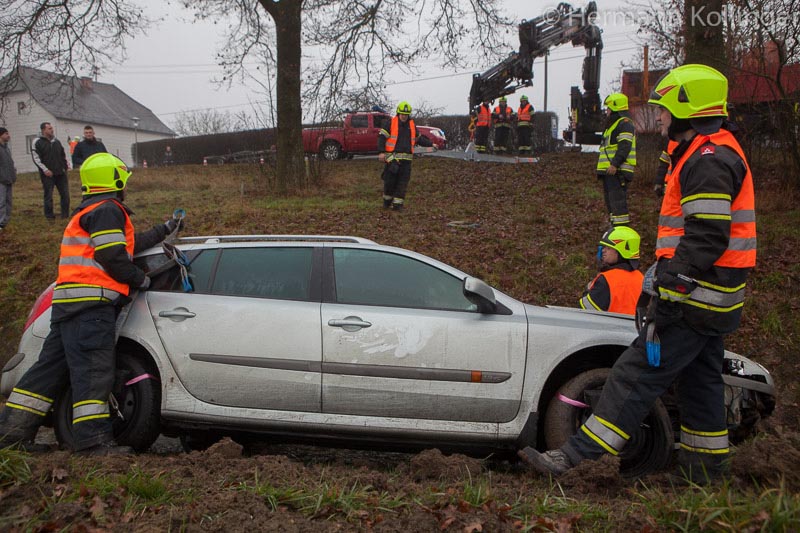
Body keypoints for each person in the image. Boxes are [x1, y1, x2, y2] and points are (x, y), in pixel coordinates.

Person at [519, 64, 756, 483]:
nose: (659, 117)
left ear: (688, 108)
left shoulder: (707, 159)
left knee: (634, 374)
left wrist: (668, 282)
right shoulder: (711, 152)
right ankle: (705, 473)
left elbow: (706, 238)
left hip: (694, 297)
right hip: (714, 298)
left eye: (663, 110)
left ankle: (575, 459)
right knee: (700, 385)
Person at [0, 153, 181, 455]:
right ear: (115, 179)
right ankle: (92, 443)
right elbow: (113, 256)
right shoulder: (109, 210)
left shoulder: (91, 211)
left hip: (69, 307)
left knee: (46, 373)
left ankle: (11, 436)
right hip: (92, 308)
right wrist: (140, 279)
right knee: (93, 373)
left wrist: (165, 229)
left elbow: (125, 246)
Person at [377, 101, 432, 211]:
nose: (404, 117)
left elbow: (419, 138)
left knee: (402, 184)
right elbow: (382, 138)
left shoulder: (412, 125)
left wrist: (431, 144)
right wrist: (382, 152)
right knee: (390, 183)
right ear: (398, 113)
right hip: (392, 158)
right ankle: (387, 202)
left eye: (406, 115)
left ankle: (398, 206)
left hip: (406, 161)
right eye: (402, 114)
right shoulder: (391, 123)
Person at [579, 226, 643, 316]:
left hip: (609, 328)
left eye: (608, 248)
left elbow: (584, 311)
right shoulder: (642, 278)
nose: (603, 251)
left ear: (621, 251)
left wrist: (588, 290)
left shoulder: (606, 279)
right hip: (636, 329)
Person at [596, 93, 637, 226]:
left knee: (618, 204)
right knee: (612, 204)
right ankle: (615, 229)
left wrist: (615, 164)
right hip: (610, 171)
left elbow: (624, 146)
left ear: (615, 107)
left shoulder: (624, 124)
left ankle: (621, 230)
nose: (606, 111)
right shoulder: (613, 125)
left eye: (608, 108)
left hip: (618, 171)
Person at [32, 122, 70, 221]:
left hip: (60, 173)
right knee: (48, 195)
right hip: (48, 174)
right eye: (49, 128)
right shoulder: (37, 142)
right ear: (43, 130)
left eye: (52, 128)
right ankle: (49, 216)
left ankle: (65, 215)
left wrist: (65, 167)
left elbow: (62, 155)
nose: (51, 130)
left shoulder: (56, 141)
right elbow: (36, 158)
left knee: (65, 194)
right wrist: (45, 169)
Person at [0, 127, 17, 230]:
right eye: (6, 133)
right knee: (1, 202)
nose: (8, 135)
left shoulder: (7, 148)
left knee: (8, 202)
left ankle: (5, 222)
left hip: (8, 179)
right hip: (1, 180)